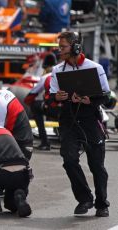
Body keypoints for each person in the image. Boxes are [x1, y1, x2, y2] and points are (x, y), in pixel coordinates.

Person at [49, 31, 110, 217]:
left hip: (90, 119)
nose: (60, 50)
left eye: (63, 47)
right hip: (68, 120)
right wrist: (57, 97)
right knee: (69, 160)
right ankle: (85, 199)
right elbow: (51, 98)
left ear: (76, 46)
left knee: (97, 165)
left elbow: (106, 97)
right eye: (59, 47)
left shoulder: (96, 67)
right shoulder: (57, 70)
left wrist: (89, 101)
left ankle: (102, 203)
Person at [24, 52, 58, 150]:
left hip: (53, 109)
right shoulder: (63, 73)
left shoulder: (45, 77)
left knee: (35, 106)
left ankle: (44, 142)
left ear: (45, 67)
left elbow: (31, 96)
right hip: (68, 109)